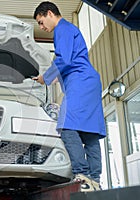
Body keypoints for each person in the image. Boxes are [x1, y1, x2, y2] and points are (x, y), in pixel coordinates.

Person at [32, 1, 106, 191]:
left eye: (41, 22)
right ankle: (94, 180)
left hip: (80, 82)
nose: (42, 27)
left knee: (66, 126)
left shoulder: (61, 29)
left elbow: (64, 59)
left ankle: (82, 175)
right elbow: (71, 60)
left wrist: (46, 78)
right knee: (89, 133)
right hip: (88, 80)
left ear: (50, 13)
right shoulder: (70, 29)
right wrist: (58, 77)